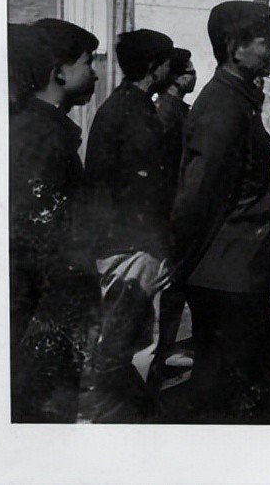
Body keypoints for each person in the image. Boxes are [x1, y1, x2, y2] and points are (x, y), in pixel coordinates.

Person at [170, 1, 270, 424]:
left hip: (239, 275)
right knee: (236, 398)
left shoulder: (237, 100)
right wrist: (177, 266)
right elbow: (198, 196)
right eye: (266, 42)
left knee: (239, 393)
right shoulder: (223, 107)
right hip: (229, 281)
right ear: (235, 48)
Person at [9, 19, 100, 422]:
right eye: (87, 62)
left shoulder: (43, 130)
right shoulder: (42, 139)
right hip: (42, 319)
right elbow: (33, 240)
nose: (94, 72)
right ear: (59, 72)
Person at [83, 28, 176, 422]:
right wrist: (160, 245)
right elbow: (146, 190)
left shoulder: (122, 106)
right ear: (154, 68)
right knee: (127, 343)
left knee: (121, 340)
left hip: (119, 242)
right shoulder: (136, 114)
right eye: (168, 60)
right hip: (133, 247)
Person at [148, 47, 197, 390]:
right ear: (178, 78)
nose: (194, 76)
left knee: (173, 296)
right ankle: (157, 360)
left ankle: (162, 354)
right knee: (167, 296)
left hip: (174, 216)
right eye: (190, 71)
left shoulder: (178, 111)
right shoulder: (167, 114)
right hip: (169, 216)